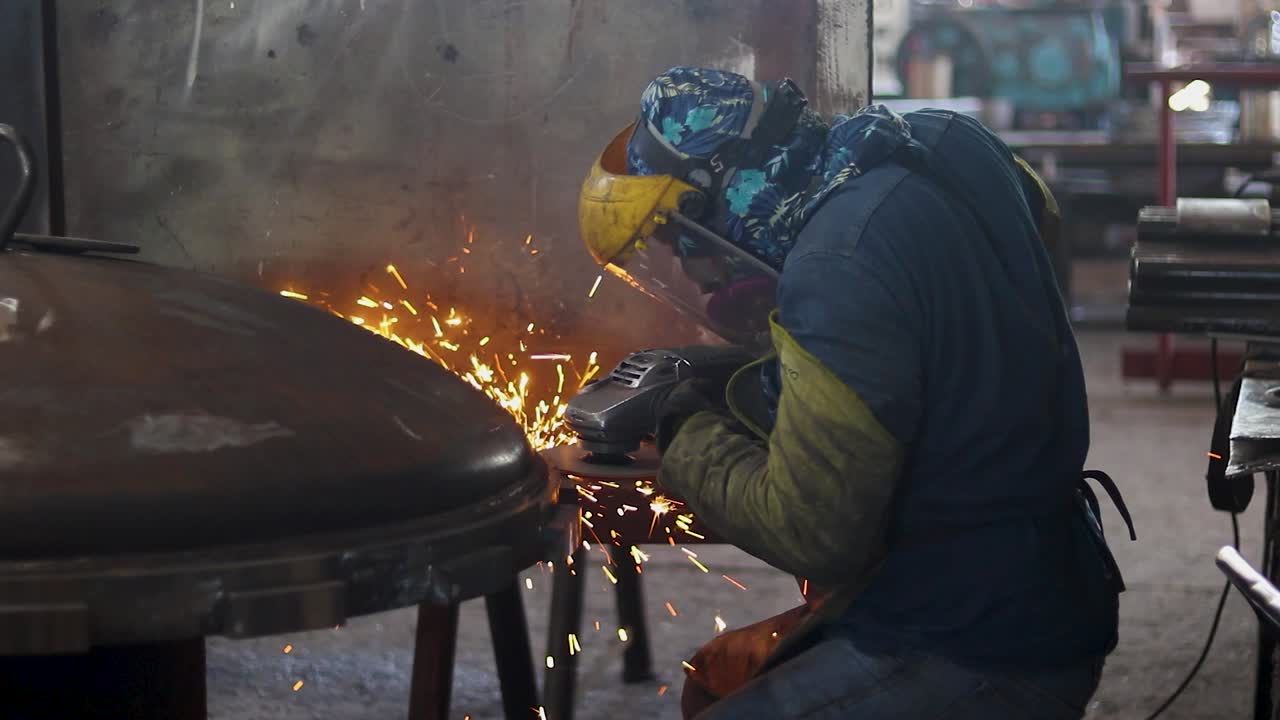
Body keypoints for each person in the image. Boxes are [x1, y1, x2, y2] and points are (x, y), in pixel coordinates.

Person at [576, 67, 1135, 719]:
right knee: (712, 680)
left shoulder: (835, 269)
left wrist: (684, 430)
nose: (693, 271)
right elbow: (1041, 218)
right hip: (1056, 583)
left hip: (977, 643)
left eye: (678, 240)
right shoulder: (944, 140)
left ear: (717, 193)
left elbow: (813, 533)